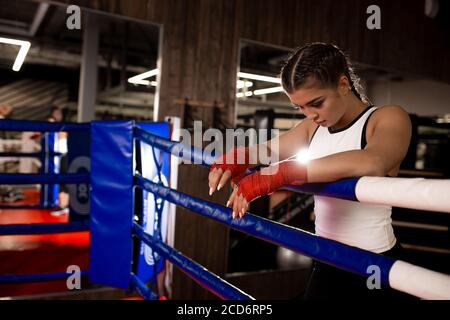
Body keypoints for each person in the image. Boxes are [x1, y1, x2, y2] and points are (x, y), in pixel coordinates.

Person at [208, 43, 413, 300]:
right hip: (327, 258)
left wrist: (282, 173)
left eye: (316, 103)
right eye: (301, 107)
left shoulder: (387, 118)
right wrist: (238, 157)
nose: (310, 114)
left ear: (342, 84)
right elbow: (271, 149)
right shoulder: (312, 127)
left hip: (373, 263)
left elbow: (374, 161)